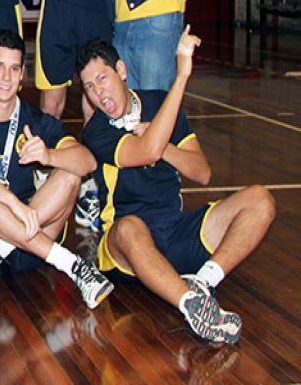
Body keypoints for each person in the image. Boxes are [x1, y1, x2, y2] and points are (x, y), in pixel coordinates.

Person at [77, 29, 276, 344]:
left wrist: (163, 142)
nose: (98, 93)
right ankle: (193, 307)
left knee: (260, 200)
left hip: (176, 228)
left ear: (122, 71)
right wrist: (182, 75)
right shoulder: (97, 131)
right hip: (127, 248)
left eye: (102, 79)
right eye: (89, 87)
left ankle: (203, 282)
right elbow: (147, 152)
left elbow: (202, 172)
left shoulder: (159, 103)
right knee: (129, 228)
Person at [0, 29, 112, 308]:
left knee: (70, 170)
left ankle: (0, 253)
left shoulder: (36, 120)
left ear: (23, 73)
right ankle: (72, 266)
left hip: (30, 238)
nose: (6, 78)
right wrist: (12, 202)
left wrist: (49, 155)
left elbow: (88, 161)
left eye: (14, 69)